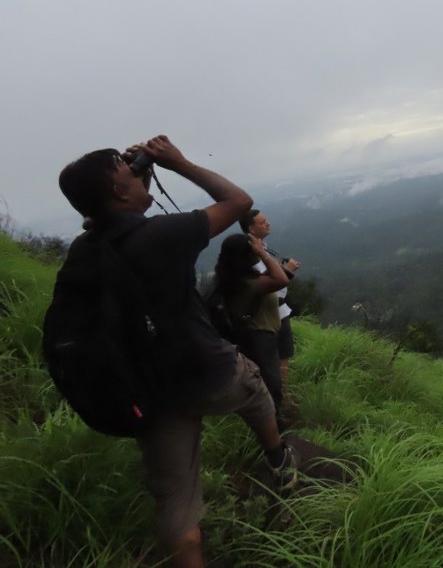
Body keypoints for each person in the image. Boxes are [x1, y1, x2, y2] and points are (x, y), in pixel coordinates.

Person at [57, 135, 299, 568]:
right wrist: (177, 161)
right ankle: (278, 458)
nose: (136, 173)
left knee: (175, 500)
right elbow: (238, 201)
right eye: (128, 172)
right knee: (257, 390)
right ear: (117, 189)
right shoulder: (162, 234)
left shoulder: (83, 253)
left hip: (147, 390)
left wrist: (140, 174)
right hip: (206, 370)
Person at [212, 232, 287, 418]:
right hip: (259, 337)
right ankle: (274, 427)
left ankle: (272, 423)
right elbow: (281, 279)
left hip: (260, 336)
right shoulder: (246, 283)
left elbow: (275, 274)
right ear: (246, 254)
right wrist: (263, 253)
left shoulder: (239, 277)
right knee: (271, 385)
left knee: (268, 381)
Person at [239, 209, 301, 409]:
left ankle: (284, 398)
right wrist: (288, 271)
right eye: (263, 222)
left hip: (280, 312)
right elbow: (268, 285)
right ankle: (272, 405)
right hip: (266, 316)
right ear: (251, 228)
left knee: (282, 358)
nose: (268, 224)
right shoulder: (249, 254)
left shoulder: (262, 249)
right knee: (270, 363)